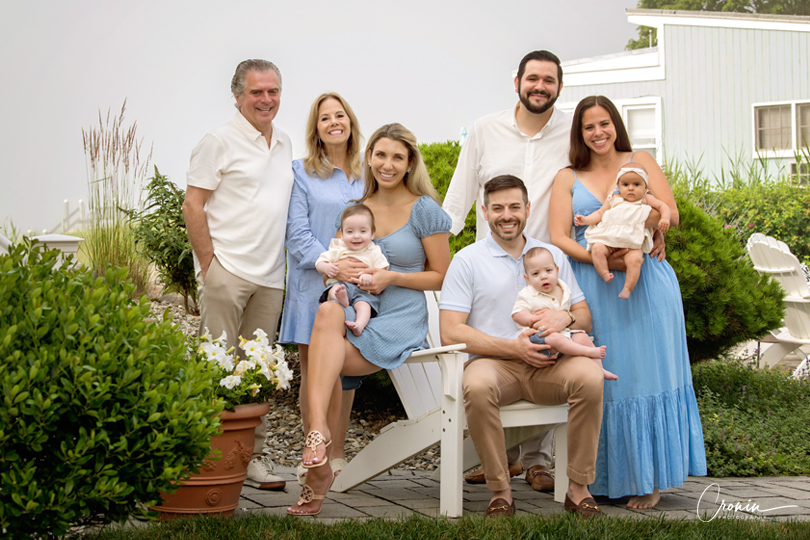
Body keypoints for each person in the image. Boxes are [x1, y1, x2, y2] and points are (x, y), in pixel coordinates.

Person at [549, 95, 706, 509]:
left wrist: (648, 230)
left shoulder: (640, 160)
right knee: (604, 382)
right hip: (593, 285)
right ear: (579, 133)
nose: (598, 132)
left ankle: (648, 479)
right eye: (588, 126)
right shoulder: (567, 176)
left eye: (604, 123)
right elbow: (560, 235)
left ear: (616, 124)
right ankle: (596, 479)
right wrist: (600, 257)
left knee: (645, 378)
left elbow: (670, 212)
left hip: (647, 286)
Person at [287, 123, 452, 516]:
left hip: (400, 313)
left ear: (410, 162)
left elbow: (442, 276)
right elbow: (336, 265)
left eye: (397, 157)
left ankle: (318, 462)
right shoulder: (356, 210)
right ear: (370, 158)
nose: (387, 164)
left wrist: (392, 277)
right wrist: (339, 272)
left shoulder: (424, 209)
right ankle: (319, 434)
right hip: (358, 306)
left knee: (324, 357)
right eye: (380, 155)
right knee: (328, 309)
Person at [442, 49, 572, 491]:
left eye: (549, 80)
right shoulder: (485, 129)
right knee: (499, 356)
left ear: (559, 86)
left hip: (545, 269)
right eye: (532, 78)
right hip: (493, 263)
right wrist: (438, 254)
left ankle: (538, 461)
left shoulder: (571, 132)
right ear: (517, 82)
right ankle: (502, 457)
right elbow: (458, 197)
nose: (540, 86)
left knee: (544, 353)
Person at [440, 175, 605, 518]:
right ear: (484, 212)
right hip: (494, 363)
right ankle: (501, 491)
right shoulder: (468, 260)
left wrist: (565, 318)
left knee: (590, 378)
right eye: (498, 208)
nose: (507, 215)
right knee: (477, 385)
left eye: (515, 206)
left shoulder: (552, 256)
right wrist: (513, 349)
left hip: (551, 364)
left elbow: (585, 317)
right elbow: (450, 332)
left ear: (528, 209)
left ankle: (578, 488)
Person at [183, 59, 293, 491]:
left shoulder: (283, 142)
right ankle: (204, 457)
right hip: (227, 270)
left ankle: (251, 459)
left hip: (270, 277)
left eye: (273, 91)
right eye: (256, 92)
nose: (266, 99)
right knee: (215, 367)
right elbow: (193, 204)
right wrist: (209, 264)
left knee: (257, 371)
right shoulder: (217, 142)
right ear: (237, 96)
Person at [279, 93, 364, 483]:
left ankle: (338, 453)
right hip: (312, 282)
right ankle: (312, 454)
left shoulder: (366, 174)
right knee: (316, 374)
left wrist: (356, 269)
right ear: (315, 127)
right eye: (325, 117)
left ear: (350, 122)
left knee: (344, 374)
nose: (334, 122)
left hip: (356, 286)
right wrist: (329, 262)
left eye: (340, 115)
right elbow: (296, 231)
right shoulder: (302, 172)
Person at [512, 246, 615, 380]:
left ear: (557, 270)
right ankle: (587, 352)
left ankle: (600, 369)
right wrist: (531, 319)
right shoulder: (527, 294)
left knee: (582, 336)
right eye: (536, 274)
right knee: (556, 338)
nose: (543, 276)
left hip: (564, 333)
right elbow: (517, 313)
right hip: (539, 337)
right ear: (527, 279)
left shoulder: (563, 288)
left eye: (548, 270)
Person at [575, 162, 671, 299]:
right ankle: (604, 273)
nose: (631, 188)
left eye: (636, 184)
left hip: (633, 242)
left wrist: (665, 218)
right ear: (618, 186)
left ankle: (628, 288)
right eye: (625, 184)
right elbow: (600, 213)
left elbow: (663, 206)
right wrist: (585, 220)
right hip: (609, 238)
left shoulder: (645, 199)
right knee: (597, 249)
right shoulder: (614, 198)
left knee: (635, 260)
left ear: (645, 187)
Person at [316, 204, 389, 336]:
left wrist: (369, 277)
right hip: (340, 285)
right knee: (333, 290)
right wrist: (326, 267)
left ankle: (359, 325)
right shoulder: (338, 249)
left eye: (363, 231)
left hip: (363, 291)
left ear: (372, 233)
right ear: (342, 234)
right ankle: (341, 299)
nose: (356, 236)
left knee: (364, 305)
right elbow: (320, 262)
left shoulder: (373, 251)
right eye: (350, 232)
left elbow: (382, 271)